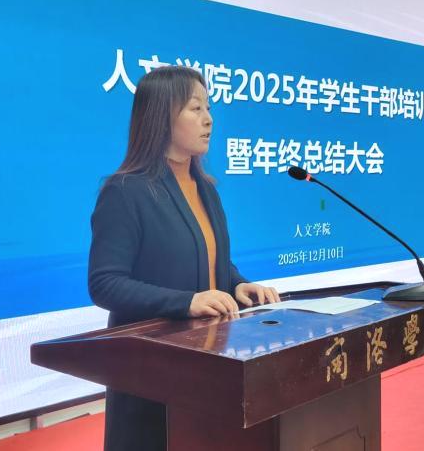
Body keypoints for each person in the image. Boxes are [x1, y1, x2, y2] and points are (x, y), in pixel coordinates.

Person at [88, 65, 280, 451]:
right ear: (162, 115)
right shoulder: (126, 191)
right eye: (195, 108)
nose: (208, 119)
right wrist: (186, 302)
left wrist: (238, 284)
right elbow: (105, 284)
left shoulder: (206, 189)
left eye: (208, 107)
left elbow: (210, 260)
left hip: (209, 364)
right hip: (151, 372)